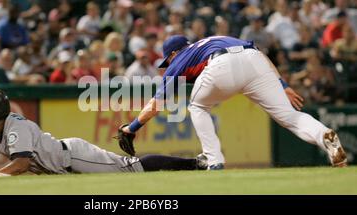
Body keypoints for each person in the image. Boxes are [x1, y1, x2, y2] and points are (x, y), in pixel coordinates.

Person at [118, 35, 348, 170]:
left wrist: (132, 127)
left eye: (166, 62)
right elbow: (259, 53)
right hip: (255, 61)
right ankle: (324, 134)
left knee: (198, 107)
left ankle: (214, 159)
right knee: (289, 116)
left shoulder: (179, 61)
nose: (167, 66)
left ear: (173, 54)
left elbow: (156, 105)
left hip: (221, 65)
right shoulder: (214, 39)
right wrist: (282, 84)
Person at [0, 89, 206, 178]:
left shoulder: (15, 127)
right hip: (63, 163)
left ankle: (196, 163)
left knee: (130, 168)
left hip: (73, 157)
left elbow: (21, 163)